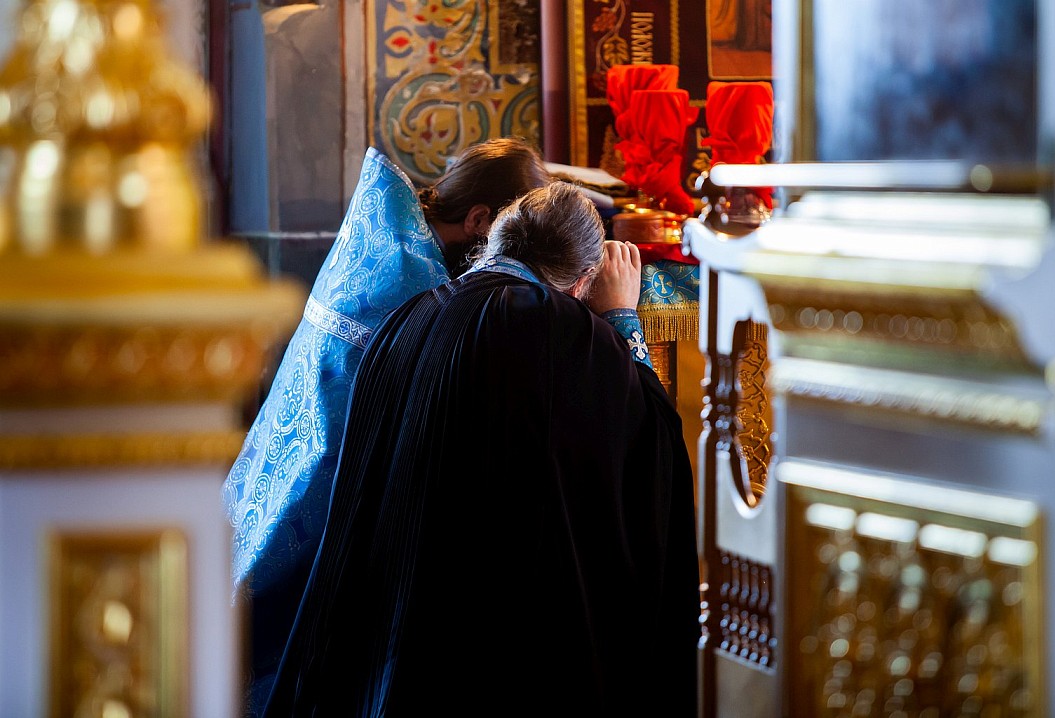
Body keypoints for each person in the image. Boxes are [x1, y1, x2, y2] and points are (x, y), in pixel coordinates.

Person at [263, 182, 700, 716]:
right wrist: (622, 320)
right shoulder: (558, 327)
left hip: (389, 615)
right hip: (488, 636)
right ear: (583, 280)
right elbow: (652, 444)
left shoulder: (412, 313)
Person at [221, 137, 552, 716]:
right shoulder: (412, 277)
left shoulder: (392, 230)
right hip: (320, 476)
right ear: (479, 220)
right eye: (508, 238)